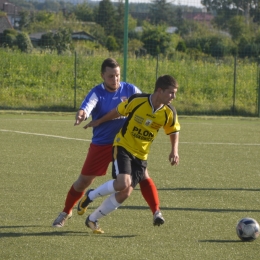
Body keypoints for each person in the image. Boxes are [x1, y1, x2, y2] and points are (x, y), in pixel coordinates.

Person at [52, 58, 164, 227]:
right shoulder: (97, 92)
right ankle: (66, 212)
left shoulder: (131, 89)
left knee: (142, 176)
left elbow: (145, 105)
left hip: (126, 144)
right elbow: (87, 106)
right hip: (103, 144)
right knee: (83, 181)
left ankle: (156, 212)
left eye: (117, 75)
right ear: (102, 75)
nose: (115, 80)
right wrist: (82, 113)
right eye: (111, 76)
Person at [82, 74, 180, 234]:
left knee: (125, 192)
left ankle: (92, 219)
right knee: (123, 183)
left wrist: (174, 150)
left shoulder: (169, 112)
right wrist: (99, 121)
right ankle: (91, 195)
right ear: (160, 90)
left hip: (141, 154)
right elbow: (117, 111)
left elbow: (174, 130)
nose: (173, 97)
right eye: (171, 92)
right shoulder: (138, 101)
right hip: (123, 146)